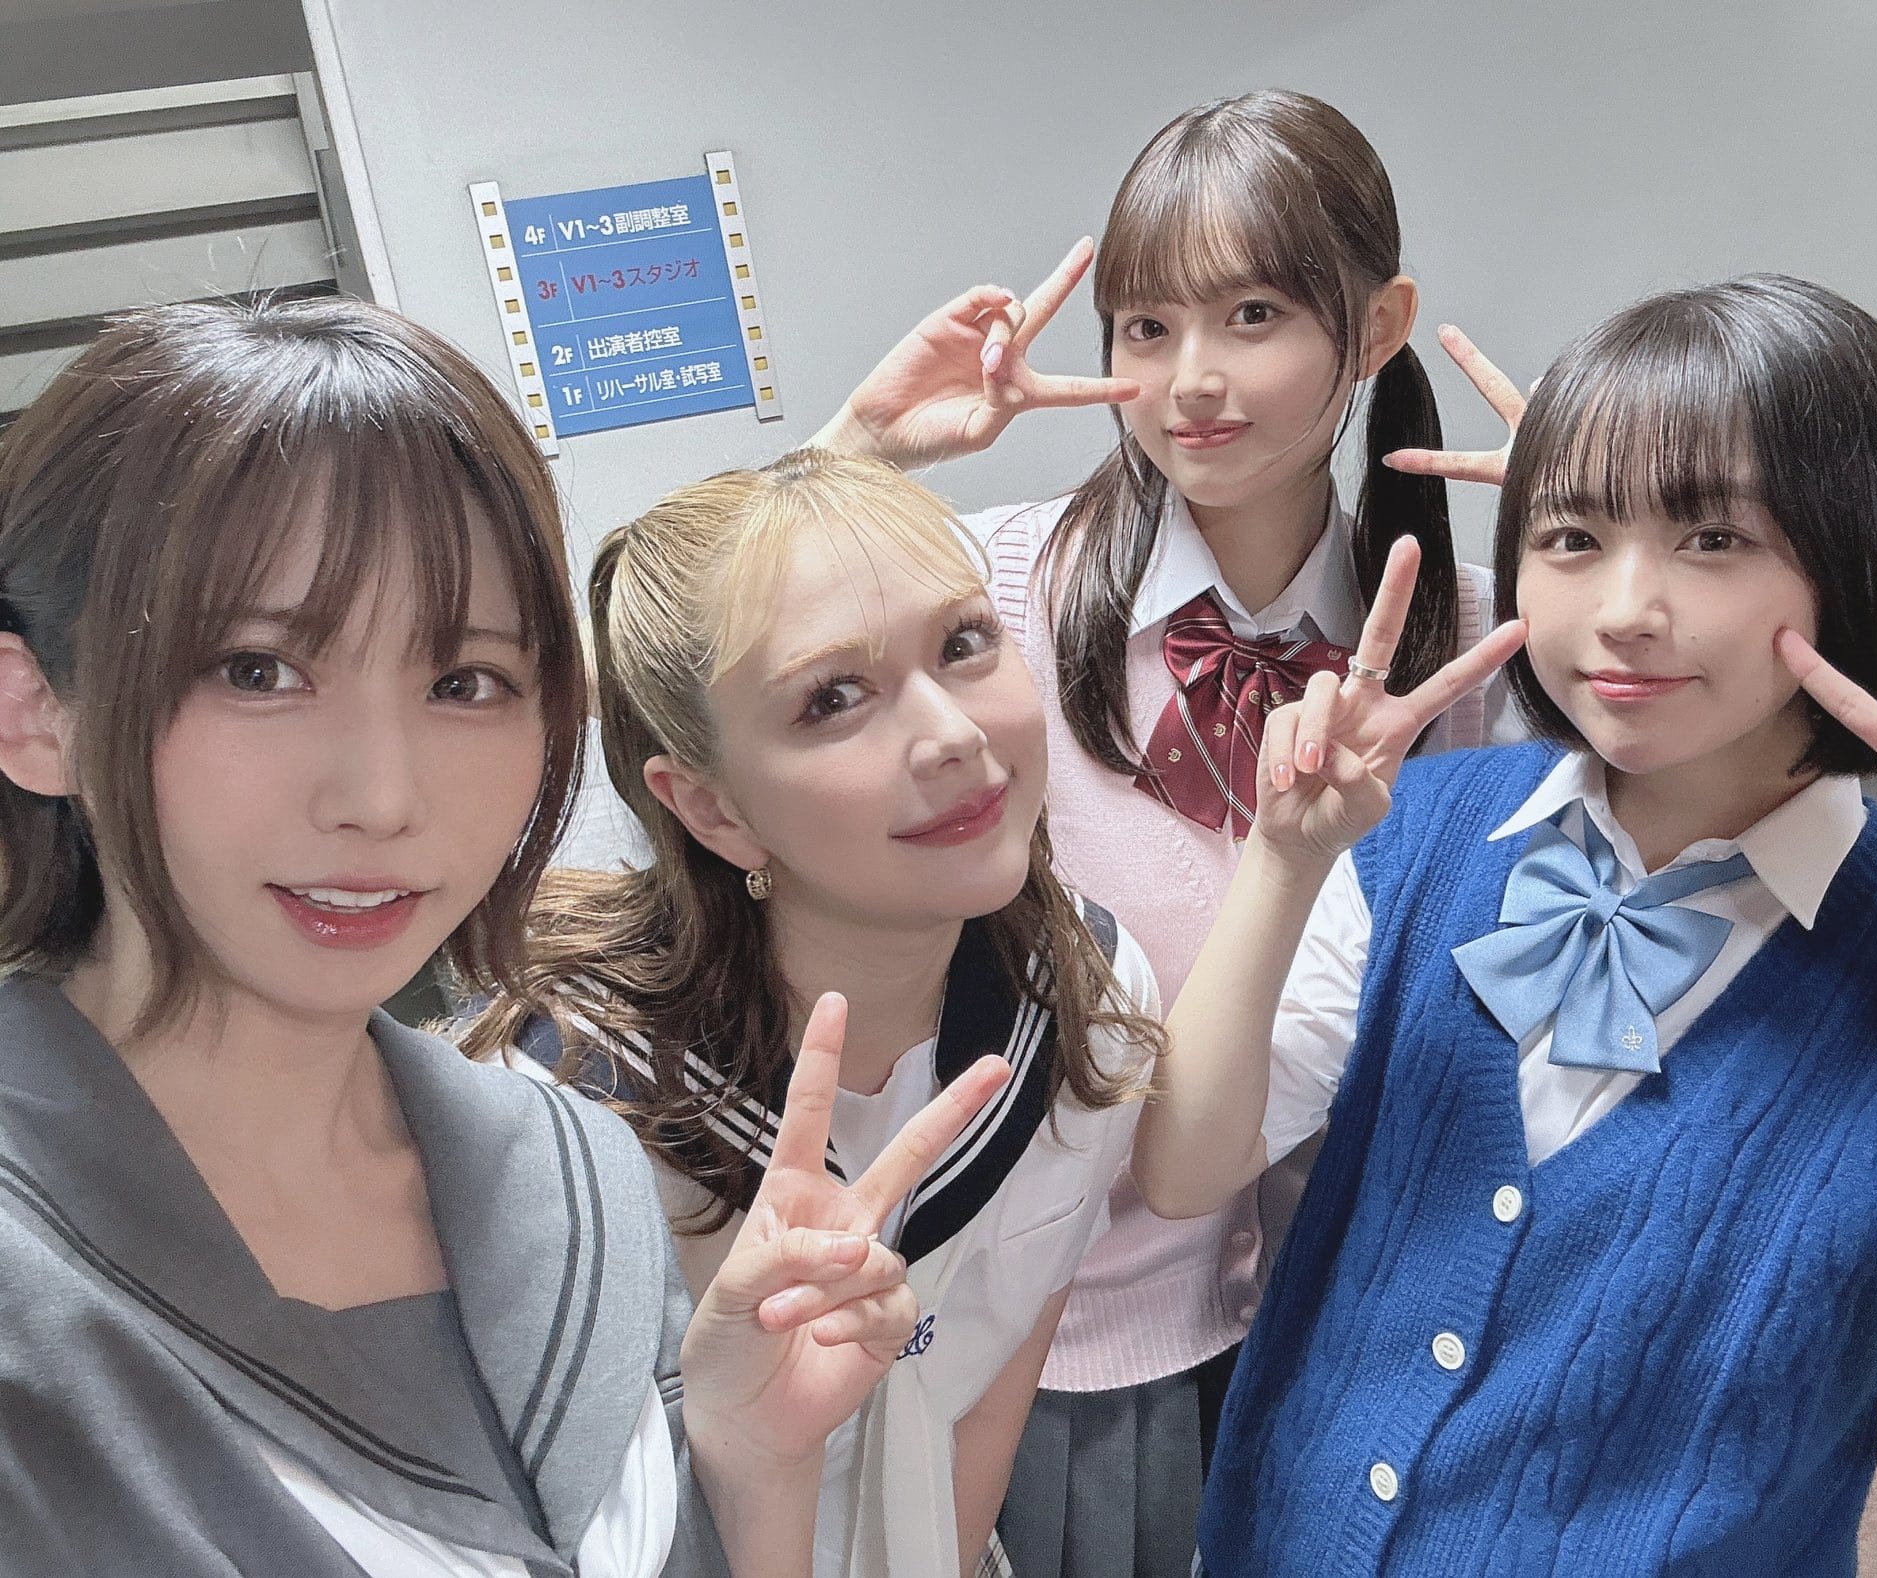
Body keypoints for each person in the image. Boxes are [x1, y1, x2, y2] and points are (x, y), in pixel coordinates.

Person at [0, 299, 1002, 1577]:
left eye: (462, 683)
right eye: (258, 670)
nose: (383, 798)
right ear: (36, 712)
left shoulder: (574, 1169)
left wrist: (753, 1464)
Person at [1130, 275, 1877, 1574]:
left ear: (1856, 555)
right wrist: (1280, 862)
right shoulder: (1415, 834)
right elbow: (1184, 1169)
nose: (1623, 609)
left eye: (1711, 538)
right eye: (1569, 536)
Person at [808, 88, 1524, 1574]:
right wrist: (858, 453)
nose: (1190, 381)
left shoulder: (1462, 646)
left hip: (1355, 1311)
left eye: (1253, 315)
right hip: (1066, 1334)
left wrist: (1609, 531)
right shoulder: (994, 599)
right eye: (1145, 327)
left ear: (1376, 326)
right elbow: (701, 671)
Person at [463, 449, 1165, 1578]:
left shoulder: (1090, 999)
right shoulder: (565, 1114)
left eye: (964, 642)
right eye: (833, 698)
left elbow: (982, 1400)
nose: (951, 733)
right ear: (712, 810)